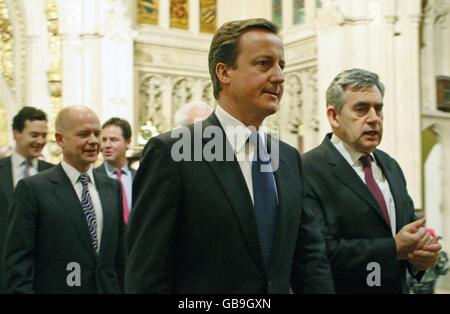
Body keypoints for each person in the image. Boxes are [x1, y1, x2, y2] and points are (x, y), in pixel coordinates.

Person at [125, 18, 334, 293]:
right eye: (264, 64)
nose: (279, 76)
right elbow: (147, 274)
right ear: (224, 72)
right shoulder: (173, 153)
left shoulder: (288, 159)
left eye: (281, 65)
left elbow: (310, 263)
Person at [302, 68, 441, 293]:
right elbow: (321, 251)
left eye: (378, 108)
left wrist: (421, 256)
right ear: (333, 116)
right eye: (361, 109)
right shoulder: (309, 169)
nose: (374, 118)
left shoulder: (390, 165)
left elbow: (407, 232)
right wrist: (393, 248)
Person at [4, 106, 126, 293]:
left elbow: (120, 256)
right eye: (84, 134)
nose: (93, 141)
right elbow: (19, 261)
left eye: (96, 133)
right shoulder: (33, 189)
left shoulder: (112, 188)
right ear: (60, 139)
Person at [0, 106, 53, 292]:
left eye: (44, 135)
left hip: (43, 273)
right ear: (16, 133)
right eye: (34, 135)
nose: (40, 141)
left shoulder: (54, 174)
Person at [95, 117, 136, 224]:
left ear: (128, 142)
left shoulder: (139, 177)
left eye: (113, 140)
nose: (107, 145)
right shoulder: (92, 177)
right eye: (104, 140)